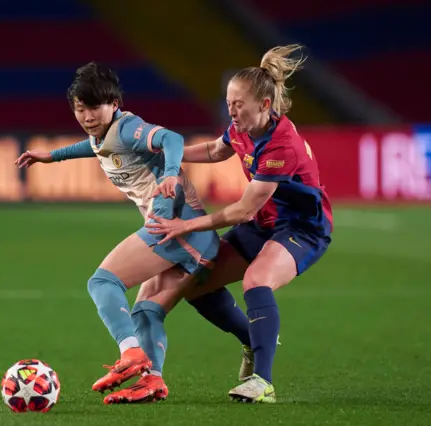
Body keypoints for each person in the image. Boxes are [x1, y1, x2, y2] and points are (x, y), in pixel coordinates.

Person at [14, 62, 253, 404]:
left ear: (113, 104)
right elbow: (93, 146)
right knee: (149, 310)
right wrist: (52, 156)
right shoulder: (104, 136)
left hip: (174, 228)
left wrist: (171, 173)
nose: (87, 116)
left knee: (102, 282)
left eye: (94, 107)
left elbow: (170, 138)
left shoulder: (128, 129)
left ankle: (131, 353)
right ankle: (153, 380)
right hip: (186, 237)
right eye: (80, 109)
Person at [146, 45, 334, 403]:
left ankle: (263, 381)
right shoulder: (242, 127)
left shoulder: (282, 146)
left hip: (302, 229)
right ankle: (251, 338)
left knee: (257, 280)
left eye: (238, 104)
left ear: (264, 105)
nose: (231, 111)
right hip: (265, 224)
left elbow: (243, 210)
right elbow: (218, 150)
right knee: (196, 285)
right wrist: (172, 152)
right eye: (229, 102)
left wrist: (185, 226)